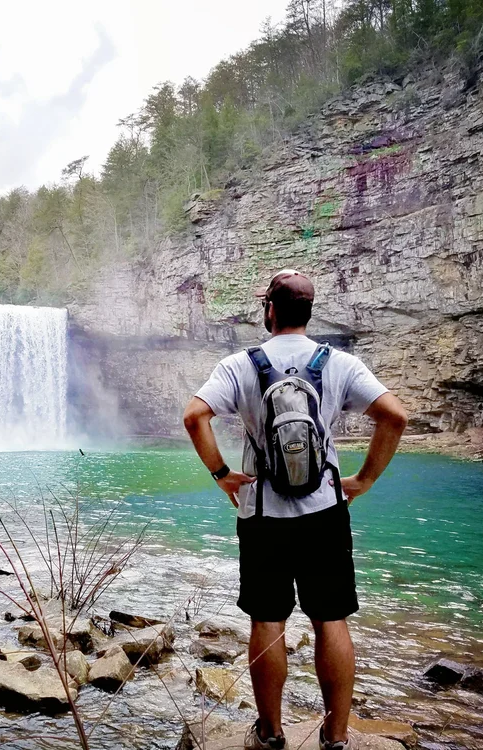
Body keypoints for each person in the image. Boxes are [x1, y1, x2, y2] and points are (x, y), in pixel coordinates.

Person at [183, 269, 408, 750]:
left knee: (268, 621)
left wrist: (222, 474)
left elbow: (194, 416)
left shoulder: (239, 365)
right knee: (331, 619)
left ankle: (270, 733)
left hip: (262, 515)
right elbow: (395, 416)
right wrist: (364, 480)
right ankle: (337, 736)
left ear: (270, 310)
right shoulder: (339, 364)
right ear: (309, 311)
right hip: (326, 511)